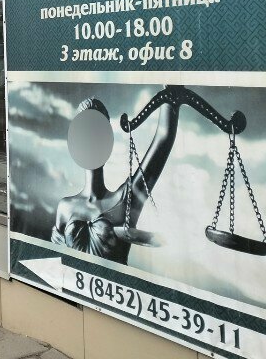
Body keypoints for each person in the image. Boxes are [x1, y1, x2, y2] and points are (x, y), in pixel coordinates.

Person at [51, 94, 179, 264]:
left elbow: (164, 139)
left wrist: (171, 95)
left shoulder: (125, 200)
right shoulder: (65, 208)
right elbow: (56, 262)